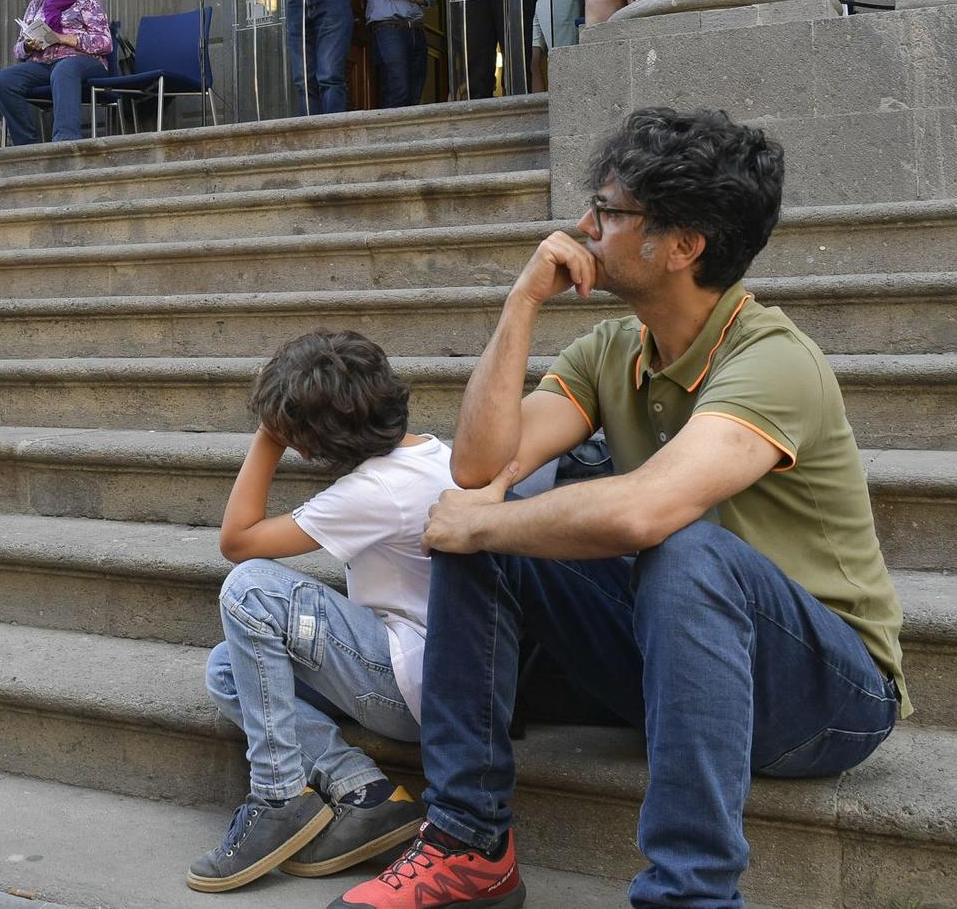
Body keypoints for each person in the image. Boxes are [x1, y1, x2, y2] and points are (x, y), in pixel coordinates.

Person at [331, 107, 911, 909]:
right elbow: (476, 466)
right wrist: (522, 302)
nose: (582, 228)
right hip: (681, 661)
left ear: (683, 245)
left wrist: (484, 517)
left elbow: (644, 511)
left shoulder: (776, 361)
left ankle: (691, 897)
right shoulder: (613, 350)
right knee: (480, 535)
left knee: (681, 548)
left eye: (609, 212)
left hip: (826, 694)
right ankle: (469, 843)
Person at [192, 330, 451, 894]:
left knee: (252, 589)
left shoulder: (377, 489)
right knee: (226, 667)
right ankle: (366, 794)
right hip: (433, 675)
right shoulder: (430, 453)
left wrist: (267, 435)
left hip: (411, 690)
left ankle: (279, 795)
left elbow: (238, 540)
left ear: (308, 441)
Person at [0, 0, 114, 145]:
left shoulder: (87, 1)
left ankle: (65, 140)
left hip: (83, 61)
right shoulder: (37, 4)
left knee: (64, 69)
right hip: (43, 63)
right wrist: (29, 45)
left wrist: (63, 38)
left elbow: (105, 43)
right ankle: (27, 144)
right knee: (2, 81)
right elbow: (18, 50)